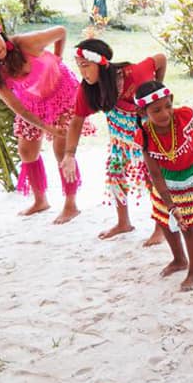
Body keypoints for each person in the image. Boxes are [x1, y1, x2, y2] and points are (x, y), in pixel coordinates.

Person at [0, 10, 94, 221]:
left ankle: (71, 204)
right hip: (31, 104)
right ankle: (40, 201)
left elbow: (61, 31)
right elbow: (20, 109)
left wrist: (57, 57)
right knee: (26, 151)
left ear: (1, 34)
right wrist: (46, 127)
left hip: (61, 92)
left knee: (61, 150)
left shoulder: (26, 43)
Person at [59, 40, 166, 243]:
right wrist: (69, 154)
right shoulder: (88, 89)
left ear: (101, 63)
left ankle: (161, 227)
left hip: (147, 136)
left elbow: (160, 59)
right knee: (115, 173)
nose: (82, 72)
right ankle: (123, 223)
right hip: (120, 140)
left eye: (85, 65)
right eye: (79, 66)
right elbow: (77, 120)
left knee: (153, 177)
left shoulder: (135, 74)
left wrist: (157, 91)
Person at [134, 81, 193, 292]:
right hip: (165, 177)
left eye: (168, 106)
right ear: (143, 112)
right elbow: (155, 174)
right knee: (164, 219)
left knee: (187, 223)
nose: (165, 113)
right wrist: (170, 206)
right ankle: (179, 259)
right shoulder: (144, 135)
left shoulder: (185, 116)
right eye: (156, 110)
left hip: (191, 172)